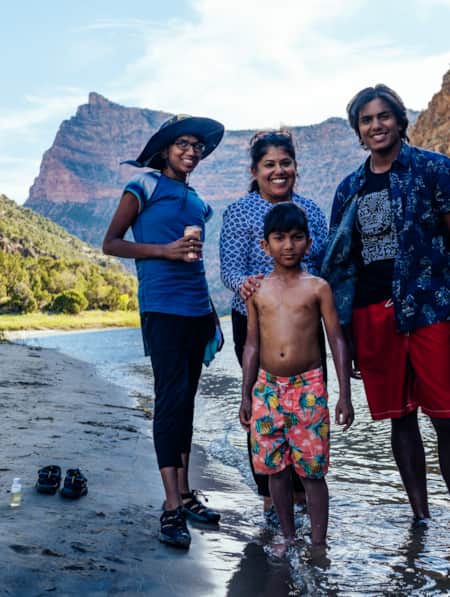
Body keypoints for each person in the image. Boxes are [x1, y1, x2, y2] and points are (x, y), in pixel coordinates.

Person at [321, 84, 450, 522]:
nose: (376, 126)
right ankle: (421, 517)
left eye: (383, 117)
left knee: (447, 418)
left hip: (432, 309)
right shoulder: (350, 189)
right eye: (366, 120)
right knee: (401, 419)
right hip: (372, 316)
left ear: (399, 120)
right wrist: (346, 335)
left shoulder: (435, 170)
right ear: (358, 129)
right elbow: (342, 265)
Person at [103, 114, 224, 549]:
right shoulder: (144, 186)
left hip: (196, 310)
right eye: (184, 145)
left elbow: (199, 261)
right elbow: (111, 242)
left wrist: (211, 312)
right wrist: (165, 251)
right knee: (169, 401)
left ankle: (187, 494)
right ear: (166, 147)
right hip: (161, 308)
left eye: (198, 147)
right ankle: (171, 506)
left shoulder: (199, 202)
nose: (192, 152)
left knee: (186, 400)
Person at [220, 129, 328, 522]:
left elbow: (321, 266)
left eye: (285, 163)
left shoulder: (312, 212)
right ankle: (269, 497)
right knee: (263, 406)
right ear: (255, 170)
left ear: (295, 167)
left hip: (302, 324)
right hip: (254, 320)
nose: (278, 171)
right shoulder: (239, 212)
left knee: (306, 408)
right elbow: (230, 268)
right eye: (270, 165)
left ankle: (303, 493)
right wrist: (245, 284)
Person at [240, 202, 353, 557]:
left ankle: (319, 543)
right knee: (275, 469)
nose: (288, 245)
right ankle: (288, 536)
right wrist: (246, 395)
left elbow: (336, 339)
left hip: (308, 388)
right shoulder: (257, 291)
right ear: (265, 245)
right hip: (268, 388)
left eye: (296, 237)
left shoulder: (317, 287)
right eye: (279, 238)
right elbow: (252, 345)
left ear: (308, 242)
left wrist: (344, 395)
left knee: (312, 471)